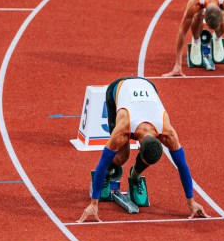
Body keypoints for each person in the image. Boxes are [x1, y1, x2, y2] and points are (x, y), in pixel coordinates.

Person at [77, 77, 209, 222]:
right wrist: (93, 203)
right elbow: (102, 162)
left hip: (148, 85)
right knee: (121, 157)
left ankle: (135, 175)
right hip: (118, 89)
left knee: (147, 156)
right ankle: (109, 174)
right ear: (139, 148)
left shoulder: (168, 133)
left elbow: (182, 165)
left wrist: (191, 201)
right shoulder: (123, 128)